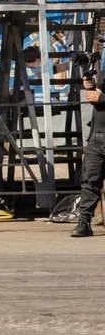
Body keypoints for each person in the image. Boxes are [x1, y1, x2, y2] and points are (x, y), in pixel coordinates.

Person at [71, 72, 104, 237]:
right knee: (90, 181)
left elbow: (101, 97)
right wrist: (92, 86)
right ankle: (84, 222)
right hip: (97, 136)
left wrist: (102, 97)